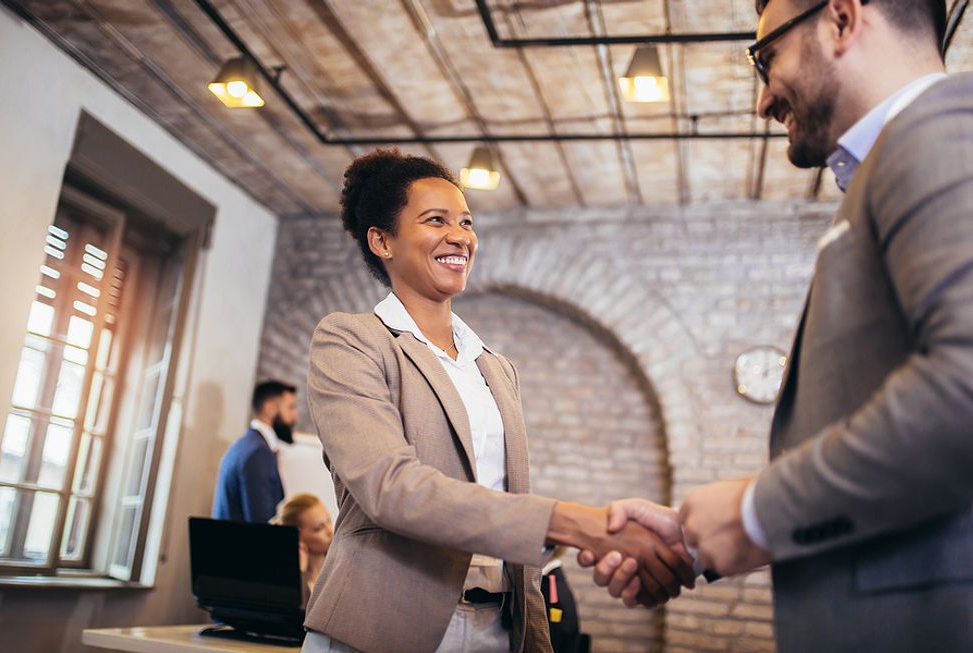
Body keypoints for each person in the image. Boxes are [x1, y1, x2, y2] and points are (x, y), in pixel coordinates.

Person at [585, 1, 973, 651]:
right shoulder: (898, 163)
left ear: (843, 19)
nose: (763, 101)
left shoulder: (941, 128)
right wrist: (696, 537)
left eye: (767, 59)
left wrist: (756, 513)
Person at [301, 149, 695, 653]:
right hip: (381, 625)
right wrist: (577, 523)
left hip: (498, 627)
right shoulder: (351, 341)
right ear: (382, 241)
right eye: (435, 220)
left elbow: (504, 496)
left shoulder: (495, 366)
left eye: (466, 222)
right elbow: (390, 488)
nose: (461, 236)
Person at [212, 380, 297, 522]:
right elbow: (261, 523)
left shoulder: (247, 445)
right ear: (270, 408)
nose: (295, 416)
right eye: (291, 408)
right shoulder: (257, 453)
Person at [274, 493, 334, 602]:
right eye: (319, 528)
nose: (330, 531)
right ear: (298, 537)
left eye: (328, 520)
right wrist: (301, 574)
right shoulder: (288, 582)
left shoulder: (340, 565)